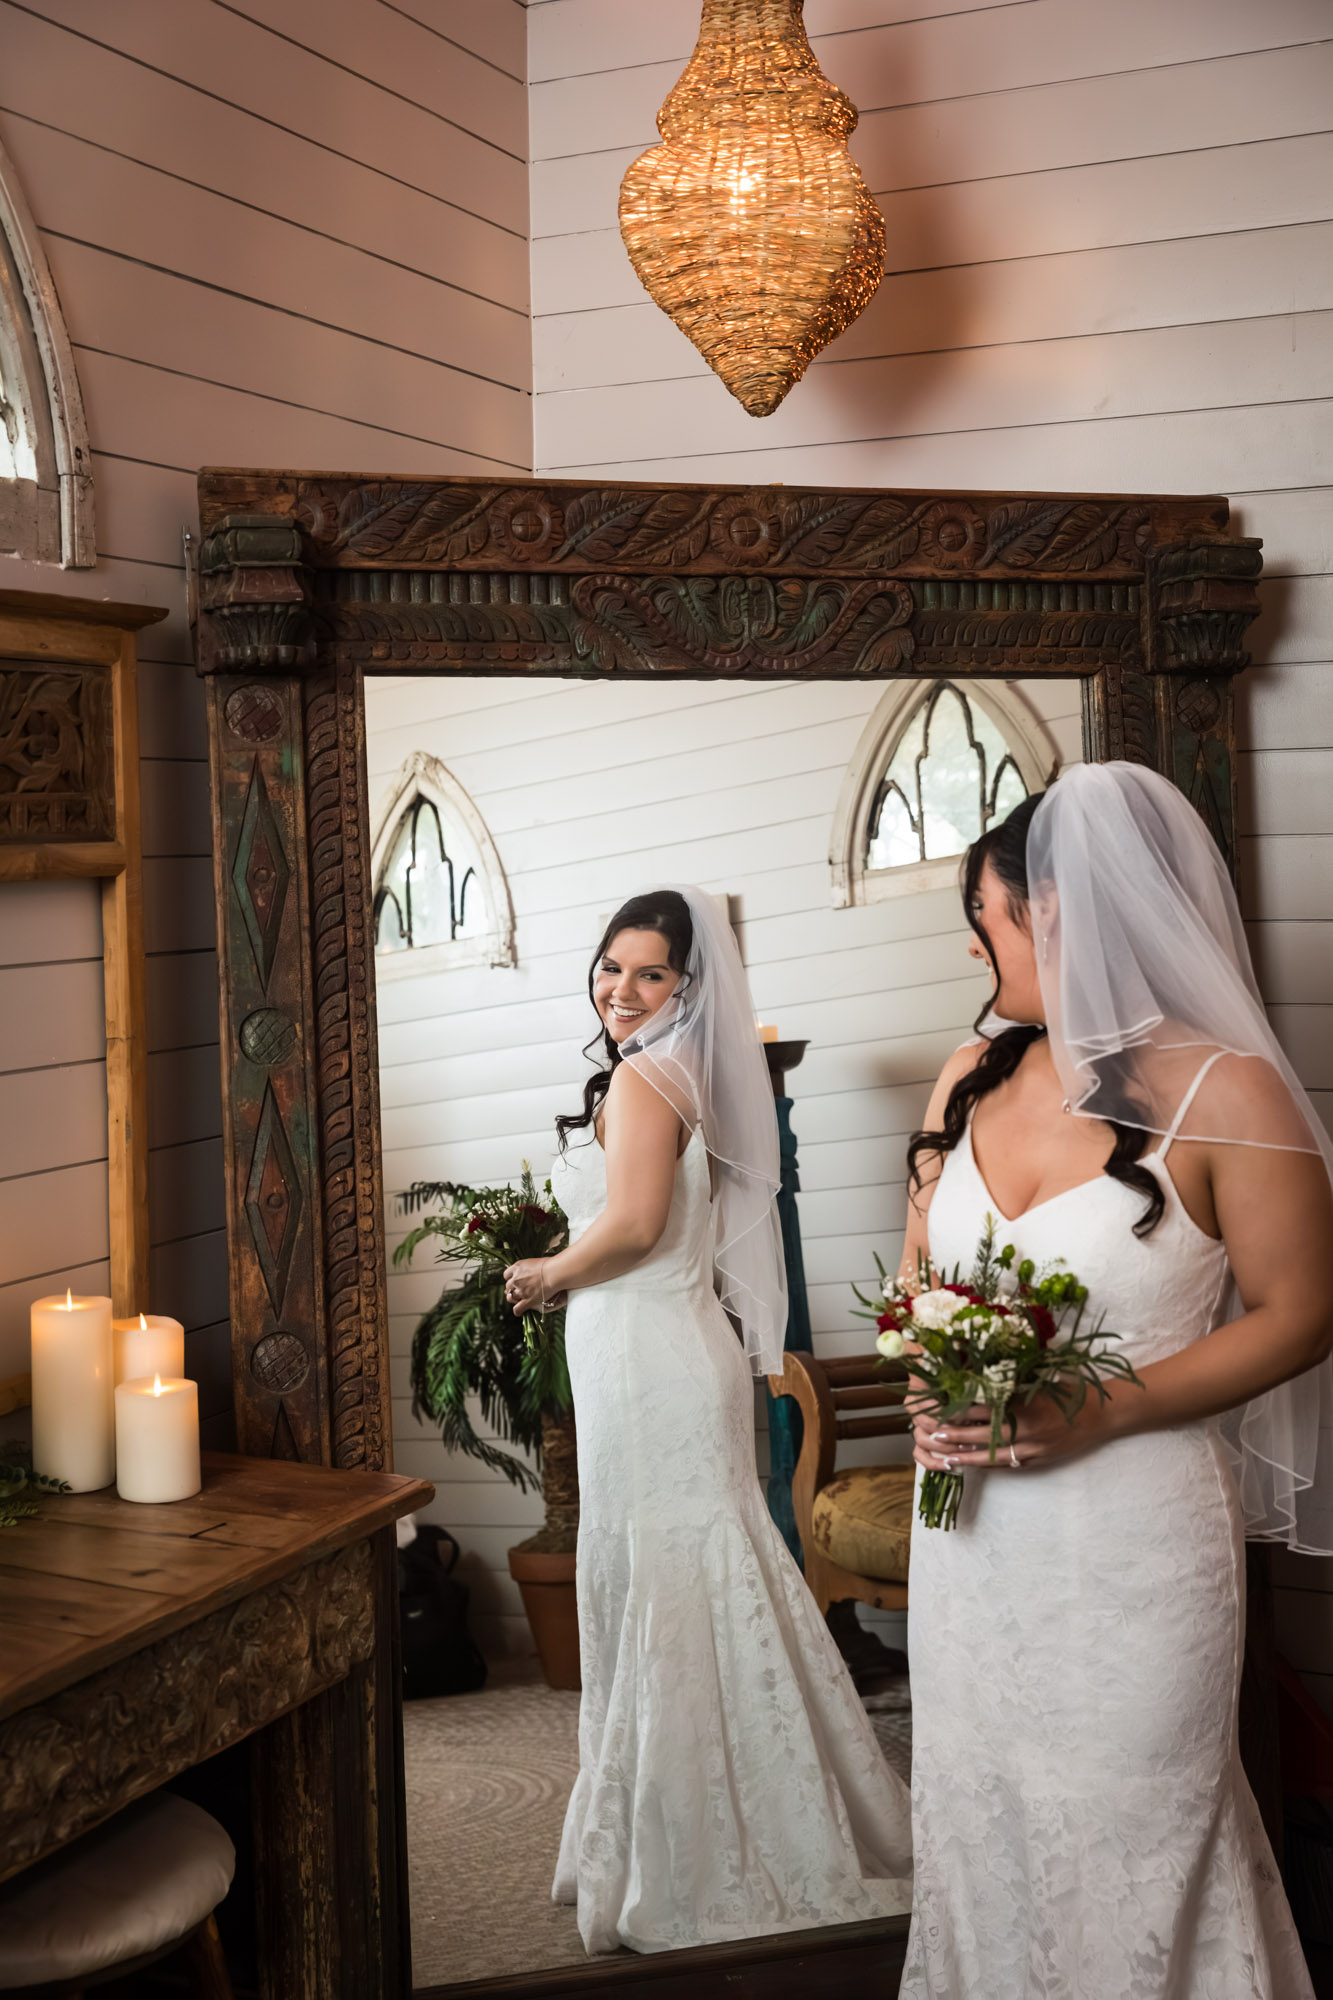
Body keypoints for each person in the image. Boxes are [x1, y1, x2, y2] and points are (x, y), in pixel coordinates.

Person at [900, 762, 1333, 1998]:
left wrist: (1106, 1401)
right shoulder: (969, 1076)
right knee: (982, 1813)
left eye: (987, 921)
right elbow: (927, 1281)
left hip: (1134, 1539)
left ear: (1054, 908)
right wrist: (933, 1379)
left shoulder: (1225, 1089)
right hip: (968, 1534)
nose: (983, 955)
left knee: (1132, 1829)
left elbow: (1303, 1315)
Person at [503, 886, 912, 1955]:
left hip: (647, 1352)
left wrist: (546, 1272)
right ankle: (711, 1809)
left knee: (672, 1563)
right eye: (609, 967)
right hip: (663, 1346)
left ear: (689, 985)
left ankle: (691, 1841)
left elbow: (634, 1225)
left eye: (650, 973)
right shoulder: (684, 1073)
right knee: (688, 1559)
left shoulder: (648, 1077)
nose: (622, 990)